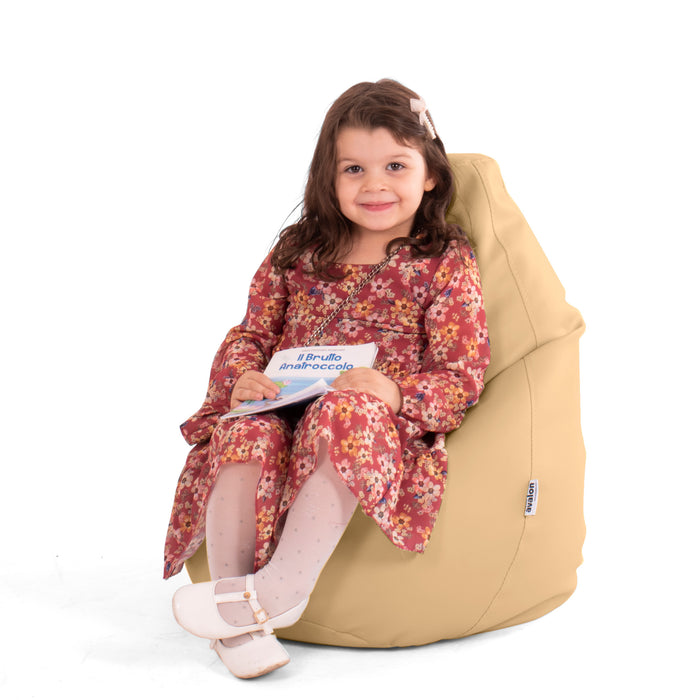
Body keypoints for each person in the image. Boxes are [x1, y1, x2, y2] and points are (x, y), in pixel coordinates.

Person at [164, 79, 491, 678]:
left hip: (368, 423)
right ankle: (237, 614)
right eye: (353, 169)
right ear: (328, 177)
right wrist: (241, 376)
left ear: (430, 175)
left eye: (395, 166)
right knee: (243, 430)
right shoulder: (299, 251)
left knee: (346, 412)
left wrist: (395, 391)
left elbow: (461, 372)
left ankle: (281, 590)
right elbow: (252, 331)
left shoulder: (442, 260)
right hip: (285, 402)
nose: (374, 185)